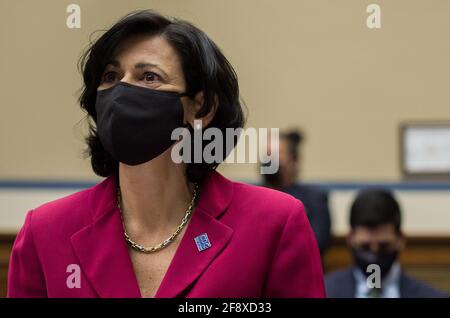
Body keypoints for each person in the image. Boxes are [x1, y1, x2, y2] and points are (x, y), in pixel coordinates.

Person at [7, 10, 325, 298]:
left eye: (149, 77)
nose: (121, 93)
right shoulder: (46, 232)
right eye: (110, 77)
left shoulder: (273, 223)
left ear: (201, 107)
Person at [325, 189, 448, 298]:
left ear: (401, 240)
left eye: (383, 246)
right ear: (350, 239)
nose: (374, 254)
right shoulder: (323, 292)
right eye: (365, 247)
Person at [262, 130, 331, 254]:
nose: (268, 160)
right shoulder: (254, 197)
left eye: (277, 154)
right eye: (267, 154)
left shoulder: (314, 198)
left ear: (294, 161)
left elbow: (318, 242)